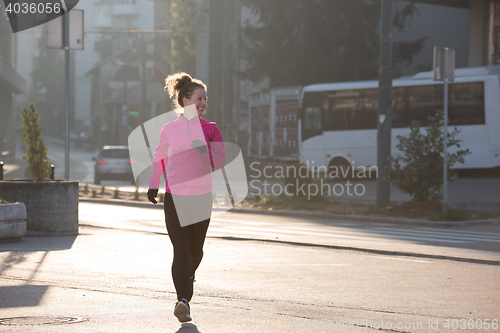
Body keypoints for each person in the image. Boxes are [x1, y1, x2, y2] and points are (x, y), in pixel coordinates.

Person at [147, 72, 225, 323]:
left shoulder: (211, 128)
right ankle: (183, 300)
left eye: (206, 99)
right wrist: (153, 185)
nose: (203, 102)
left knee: (196, 251)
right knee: (180, 250)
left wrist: (206, 151)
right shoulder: (169, 129)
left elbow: (221, 161)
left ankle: (185, 283)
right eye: (199, 98)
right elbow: (160, 157)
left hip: (202, 197)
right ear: (184, 99)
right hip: (175, 197)